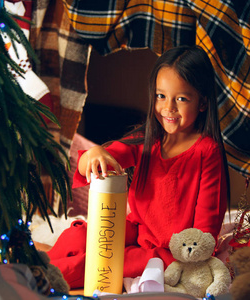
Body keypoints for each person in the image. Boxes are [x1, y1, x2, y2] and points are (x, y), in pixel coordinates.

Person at [47, 45, 230, 289]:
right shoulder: (148, 138)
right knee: (77, 236)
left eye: (181, 99)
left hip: (170, 252)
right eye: (161, 96)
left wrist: (188, 257)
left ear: (203, 102)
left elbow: (205, 230)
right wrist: (93, 155)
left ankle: (37, 276)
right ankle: (37, 263)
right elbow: (103, 160)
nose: (169, 108)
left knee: (100, 262)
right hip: (137, 230)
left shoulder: (207, 152)